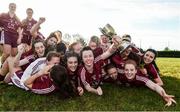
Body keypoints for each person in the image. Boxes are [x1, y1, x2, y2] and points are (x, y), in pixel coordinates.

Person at [104, 59, 176, 106]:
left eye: (132, 70)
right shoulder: (119, 74)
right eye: (126, 70)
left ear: (135, 70)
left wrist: (164, 94)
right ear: (124, 70)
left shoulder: (140, 78)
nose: (129, 72)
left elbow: (154, 86)